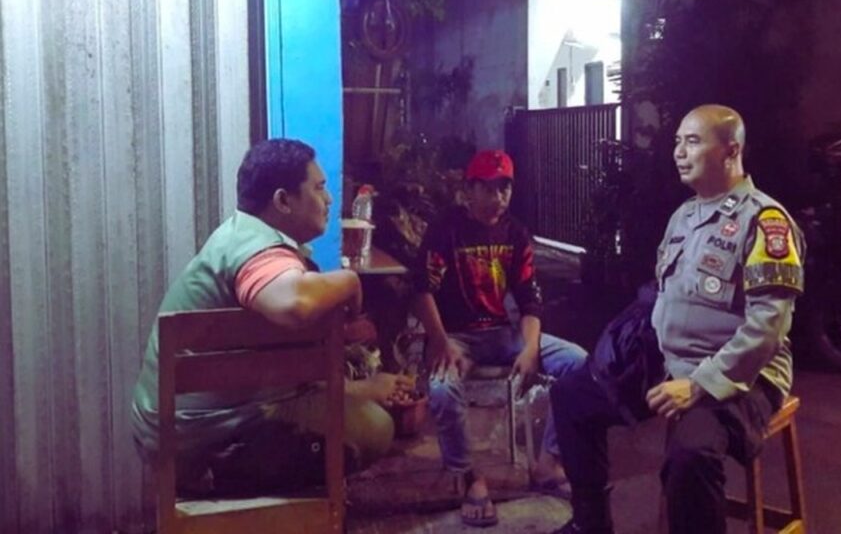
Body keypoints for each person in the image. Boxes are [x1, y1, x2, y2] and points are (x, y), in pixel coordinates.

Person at [550, 105, 805, 534]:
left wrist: (701, 384)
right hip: (670, 363)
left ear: (731, 151)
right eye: (678, 142)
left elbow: (768, 327)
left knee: (692, 455)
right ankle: (591, 526)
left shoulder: (765, 222)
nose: (679, 153)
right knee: (571, 396)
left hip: (741, 376)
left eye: (693, 141)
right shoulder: (685, 216)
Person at [130, 138, 414, 495]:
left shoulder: (242, 236)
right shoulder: (256, 249)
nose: (329, 199)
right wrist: (349, 280)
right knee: (374, 428)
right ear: (282, 201)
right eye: (319, 188)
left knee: (346, 410)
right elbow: (292, 303)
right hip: (199, 441)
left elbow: (283, 380)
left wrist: (363, 389)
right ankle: (226, 479)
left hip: (184, 427)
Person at [411, 149, 589, 527]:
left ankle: (549, 462)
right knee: (442, 388)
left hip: (502, 333)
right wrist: (440, 342)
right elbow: (421, 290)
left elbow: (530, 301)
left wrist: (530, 348)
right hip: (455, 336)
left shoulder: (516, 234)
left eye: (504, 188)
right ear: (469, 190)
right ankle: (469, 477)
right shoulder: (446, 229)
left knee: (578, 363)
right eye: (488, 189)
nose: (498, 197)